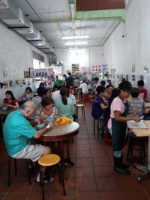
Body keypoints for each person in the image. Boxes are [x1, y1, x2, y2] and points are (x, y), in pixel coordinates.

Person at [3, 101, 53, 182]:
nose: (33, 115)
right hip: (18, 150)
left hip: (10, 147)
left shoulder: (13, 114)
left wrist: (36, 121)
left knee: (36, 142)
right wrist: (48, 126)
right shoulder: (20, 120)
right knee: (47, 150)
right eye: (32, 113)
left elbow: (26, 124)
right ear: (28, 112)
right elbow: (36, 135)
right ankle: (40, 177)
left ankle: (33, 165)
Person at [108, 81, 140, 175]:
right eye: (128, 92)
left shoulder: (122, 99)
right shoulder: (117, 101)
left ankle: (120, 164)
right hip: (115, 126)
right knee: (117, 147)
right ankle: (117, 167)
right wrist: (132, 118)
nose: (129, 94)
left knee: (120, 145)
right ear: (122, 91)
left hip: (120, 126)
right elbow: (117, 117)